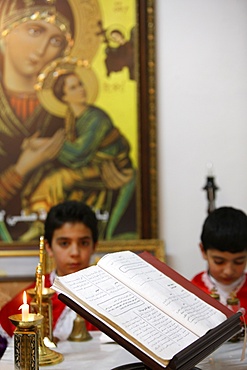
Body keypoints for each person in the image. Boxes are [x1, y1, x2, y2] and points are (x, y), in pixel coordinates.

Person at [20, 70, 137, 241]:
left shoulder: (96, 118)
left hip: (108, 168)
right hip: (89, 166)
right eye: (73, 87)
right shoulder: (72, 118)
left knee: (56, 179)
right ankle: (40, 223)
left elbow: (78, 154)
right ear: (64, 97)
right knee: (41, 174)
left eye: (80, 84)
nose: (81, 90)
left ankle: (40, 223)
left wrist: (42, 144)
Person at [0, 0, 76, 241]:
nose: (42, 49)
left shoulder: (66, 113)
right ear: (6, 31)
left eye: (56, 41)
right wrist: (22, 168)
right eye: (35, 31)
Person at [0, 200, 99, 357]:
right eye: (64, 243)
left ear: (94, 246)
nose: (75, 252)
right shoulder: (31, 298)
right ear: (49, 247)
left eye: (84, 243)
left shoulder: (111, 297)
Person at [191, 206, 247, 319]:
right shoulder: (192, 290)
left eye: (238, 261)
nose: (228, 271)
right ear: (203, 250)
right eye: (219, 261)